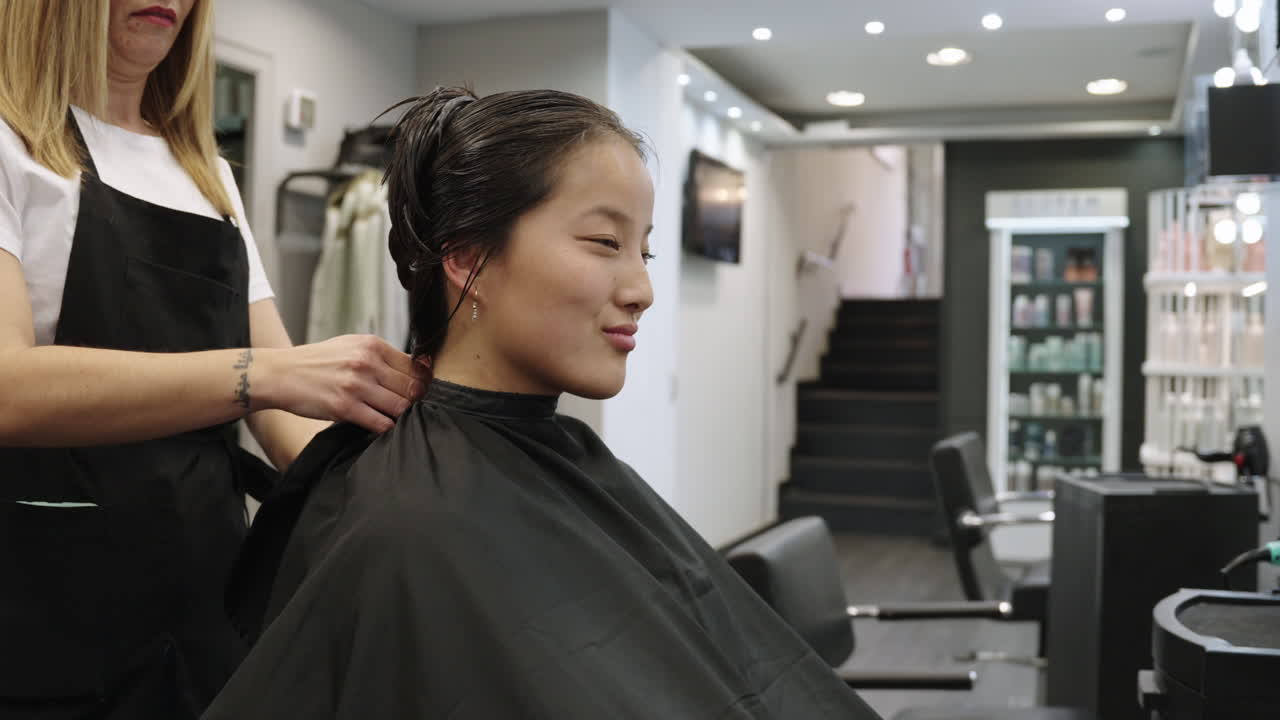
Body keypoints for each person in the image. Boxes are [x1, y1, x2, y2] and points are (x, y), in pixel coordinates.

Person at [205, 87, 884, 719]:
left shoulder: (556, 463)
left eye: (643, 252)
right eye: (605, 243)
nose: (641, 289)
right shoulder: (411, 527)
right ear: (468, 260)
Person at [0, 1, 423, 717]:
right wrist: (261, 375)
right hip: (47, 618)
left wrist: (403, 497)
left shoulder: (209, 180)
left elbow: (291, 423)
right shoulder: (12, 147)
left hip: (203, 611)